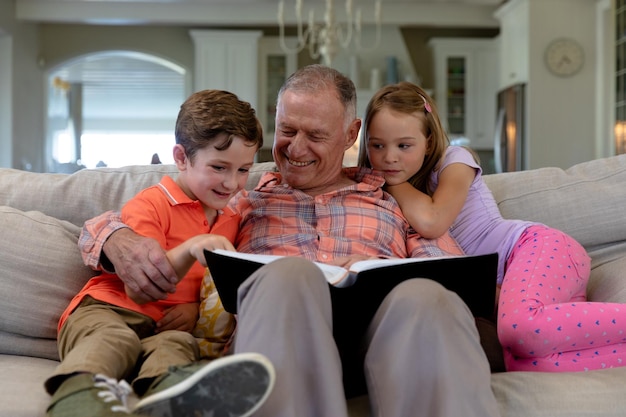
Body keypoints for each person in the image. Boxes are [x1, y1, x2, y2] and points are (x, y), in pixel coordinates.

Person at [79, 65, 501, 417]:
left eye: (315, 135)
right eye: (287, 130)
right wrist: (117, 239)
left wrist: (382, 272)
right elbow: (127, 219)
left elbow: (452, 279)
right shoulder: (242, 196)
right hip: (280, 336)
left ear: (351, 133)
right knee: (289, 276)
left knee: (428, 295)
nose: (296, 148)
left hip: (382, 341)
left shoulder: (393, 199)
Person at [358, 80, 626, 372]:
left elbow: (433, 221)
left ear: (429, 143)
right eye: (377, 145)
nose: (389, 157)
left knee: (518, 329)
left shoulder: (454, 161)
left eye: (404, 145)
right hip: (522, 293)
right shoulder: (382, 197)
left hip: (536, 249)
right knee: (523, 362)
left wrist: (386, 180)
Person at [45, 89, 275, 417]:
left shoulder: (232, 218)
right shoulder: (152, 203)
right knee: (116, 341)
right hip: (110, 312)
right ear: (181, 158)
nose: (232, 183)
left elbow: (211, 283)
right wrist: (192, 248)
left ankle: (170, 400)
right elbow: (139, 287)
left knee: (178, 347)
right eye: (219, 167)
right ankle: (78, 402)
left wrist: (195, 306)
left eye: (242, 170)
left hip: (164, 329)